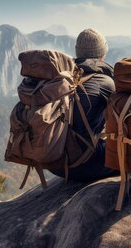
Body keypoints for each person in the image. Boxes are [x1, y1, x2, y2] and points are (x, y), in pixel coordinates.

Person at [49, 28, 117, 181]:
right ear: (102, 53)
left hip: (53, 162)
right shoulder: (105, 82)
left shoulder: (62, 77)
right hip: (83, 163)